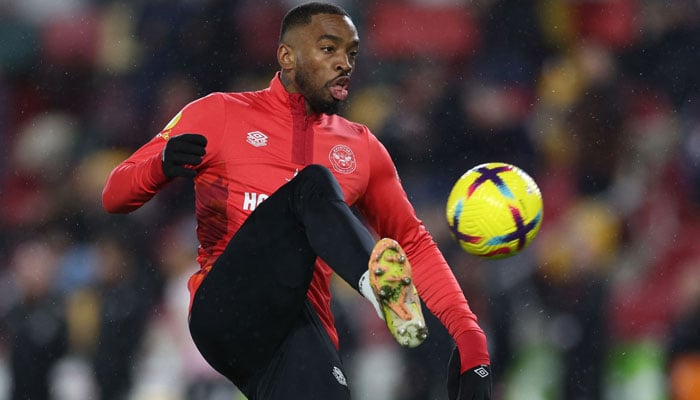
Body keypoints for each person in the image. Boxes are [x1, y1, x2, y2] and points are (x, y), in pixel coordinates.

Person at [102, 2, 491, 399]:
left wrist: (470, 339)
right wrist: (159, 167)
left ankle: (382, 289)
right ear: (287, 56)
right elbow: (114, 195)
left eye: (352, 53)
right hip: (227, 308)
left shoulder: (363, 148)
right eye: (329, 49)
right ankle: (379, 288)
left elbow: (414, 244)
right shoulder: (218, 113)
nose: (344, 63)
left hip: (300, 329)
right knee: (312, 186)